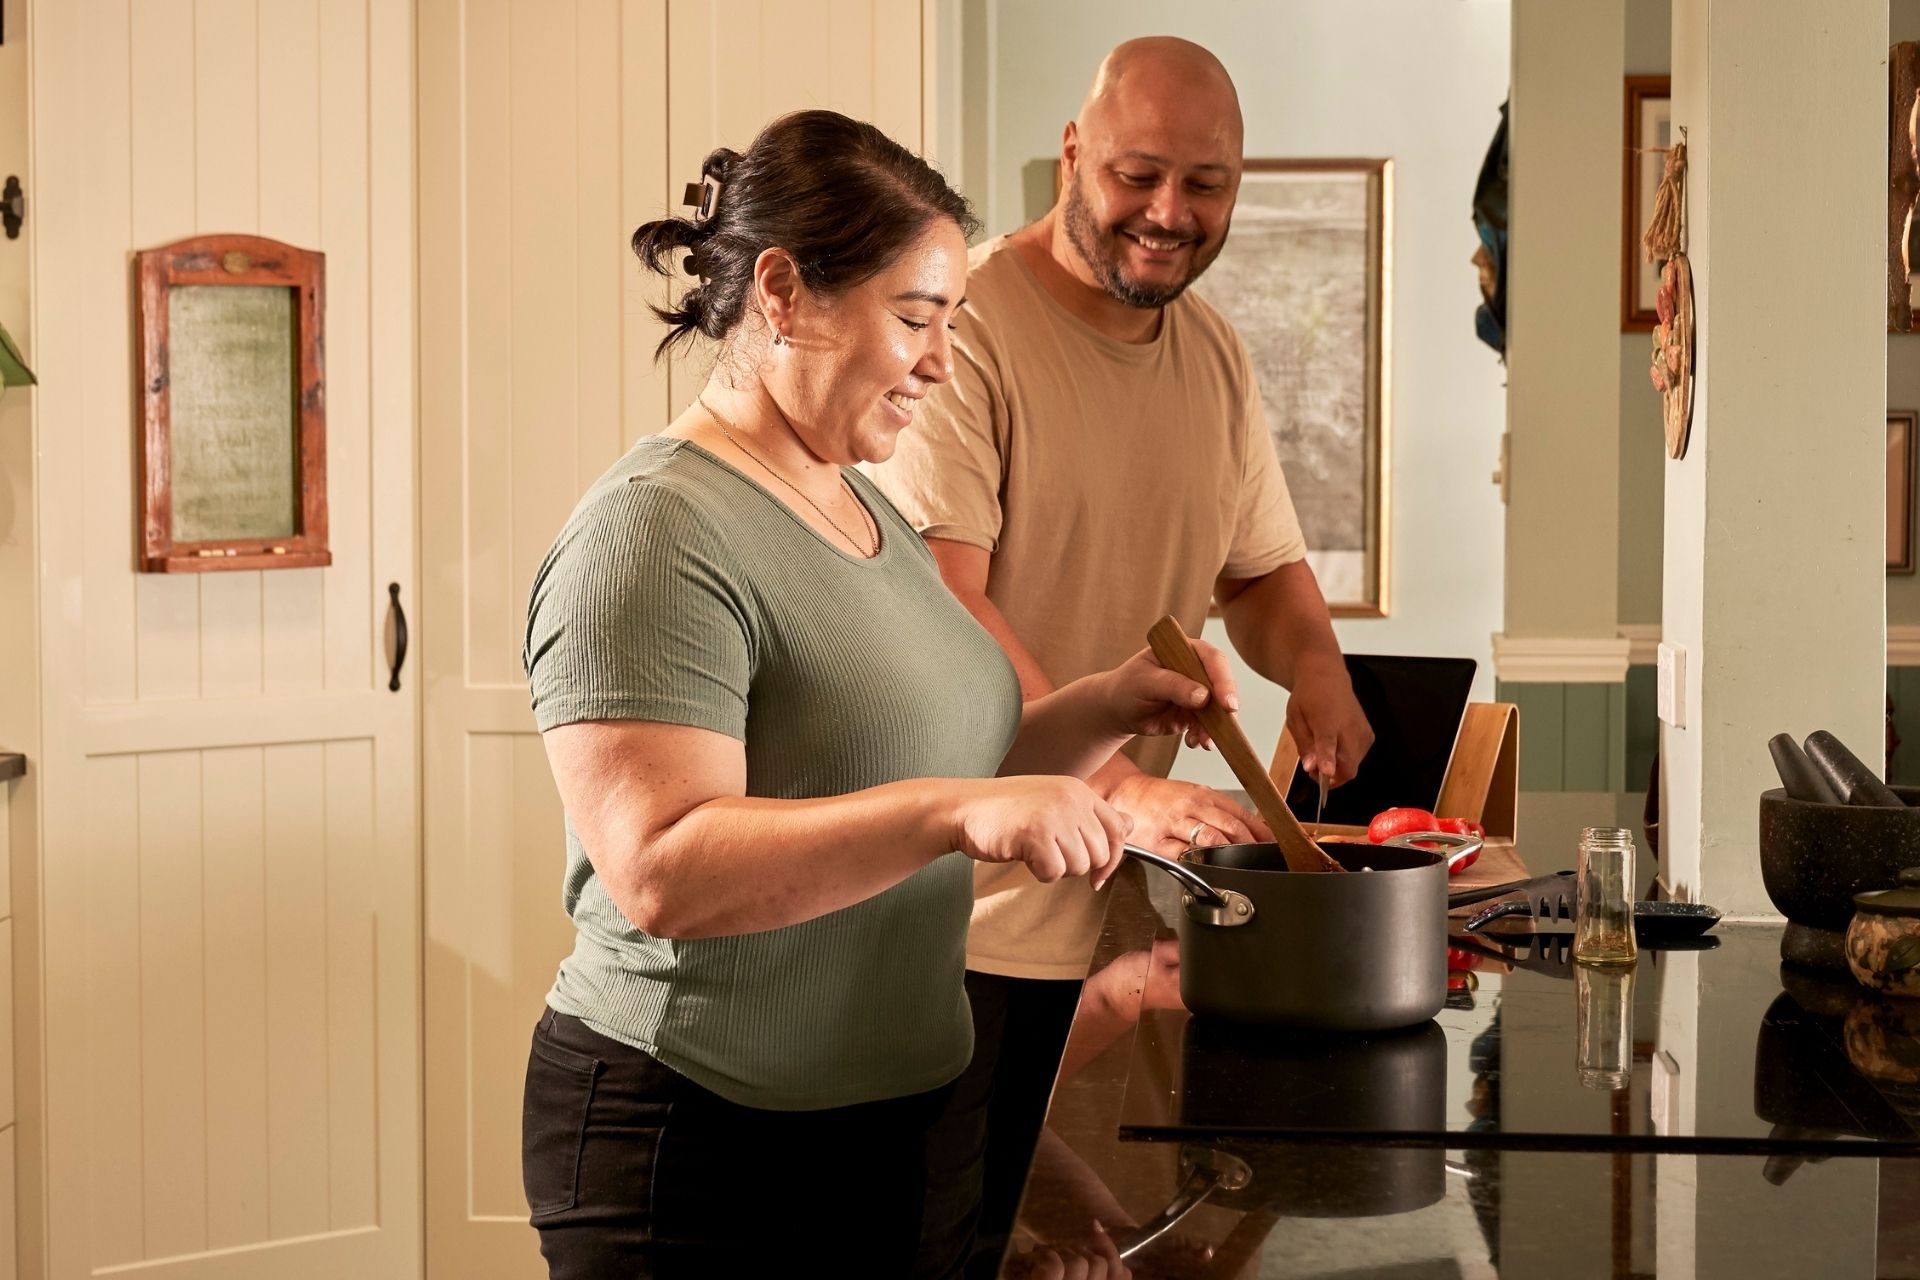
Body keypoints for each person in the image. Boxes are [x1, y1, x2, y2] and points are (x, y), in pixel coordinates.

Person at [517, 108, 1247, 1280]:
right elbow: (661, 865)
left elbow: (972, 750)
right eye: (916, 317)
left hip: (890, 1126)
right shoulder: (653, 532)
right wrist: (949, 816)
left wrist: (1114, 700)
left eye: (952, 321)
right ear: (783, 293)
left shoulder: (864, 510)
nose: (942, 360)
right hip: (699, 1138)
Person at [866, 36, 1376, 1272]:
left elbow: (1258, 573)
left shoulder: (1213, 354)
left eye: (1206, 185)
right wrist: (1122, 788)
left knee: (1101, 1250)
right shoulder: (970, 326)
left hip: (1129, 903)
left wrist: (1317, 666)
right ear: (1074, 153)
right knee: (951, 1245)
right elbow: (947, 605)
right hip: (963, 915)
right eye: (1140, 174)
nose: (1170, 213)